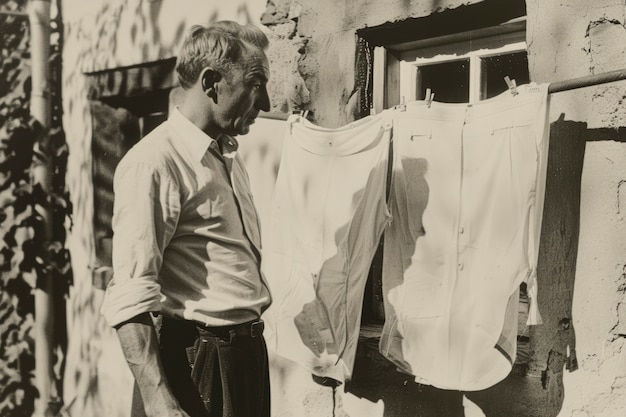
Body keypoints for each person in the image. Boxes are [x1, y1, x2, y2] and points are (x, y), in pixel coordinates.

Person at [100, 21, 272, 417]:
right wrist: (159, 401)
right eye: (256, 83)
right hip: (198, 363)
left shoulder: (225, 154)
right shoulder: (155, 162)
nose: (265, 102)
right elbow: (129, 296)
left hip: (244, 357)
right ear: (212, 83)